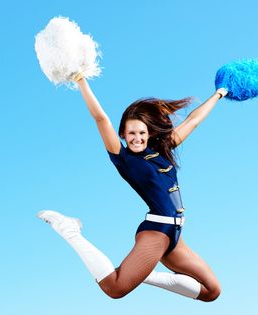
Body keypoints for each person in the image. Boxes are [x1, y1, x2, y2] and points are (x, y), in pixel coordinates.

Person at [38, 72, 228, 302]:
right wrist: (81, 81)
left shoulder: (164, 150)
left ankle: (142, 274)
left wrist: (219, 94)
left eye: (141, 133)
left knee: (211, 291)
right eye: (131, 134)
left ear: (149, 134)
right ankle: (69, 229)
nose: (136, 138)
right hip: (156, 232)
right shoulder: (125, 159)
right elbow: (101, 118)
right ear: (123, 135)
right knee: (115, 288)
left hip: (175, 236)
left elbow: (193, 121)